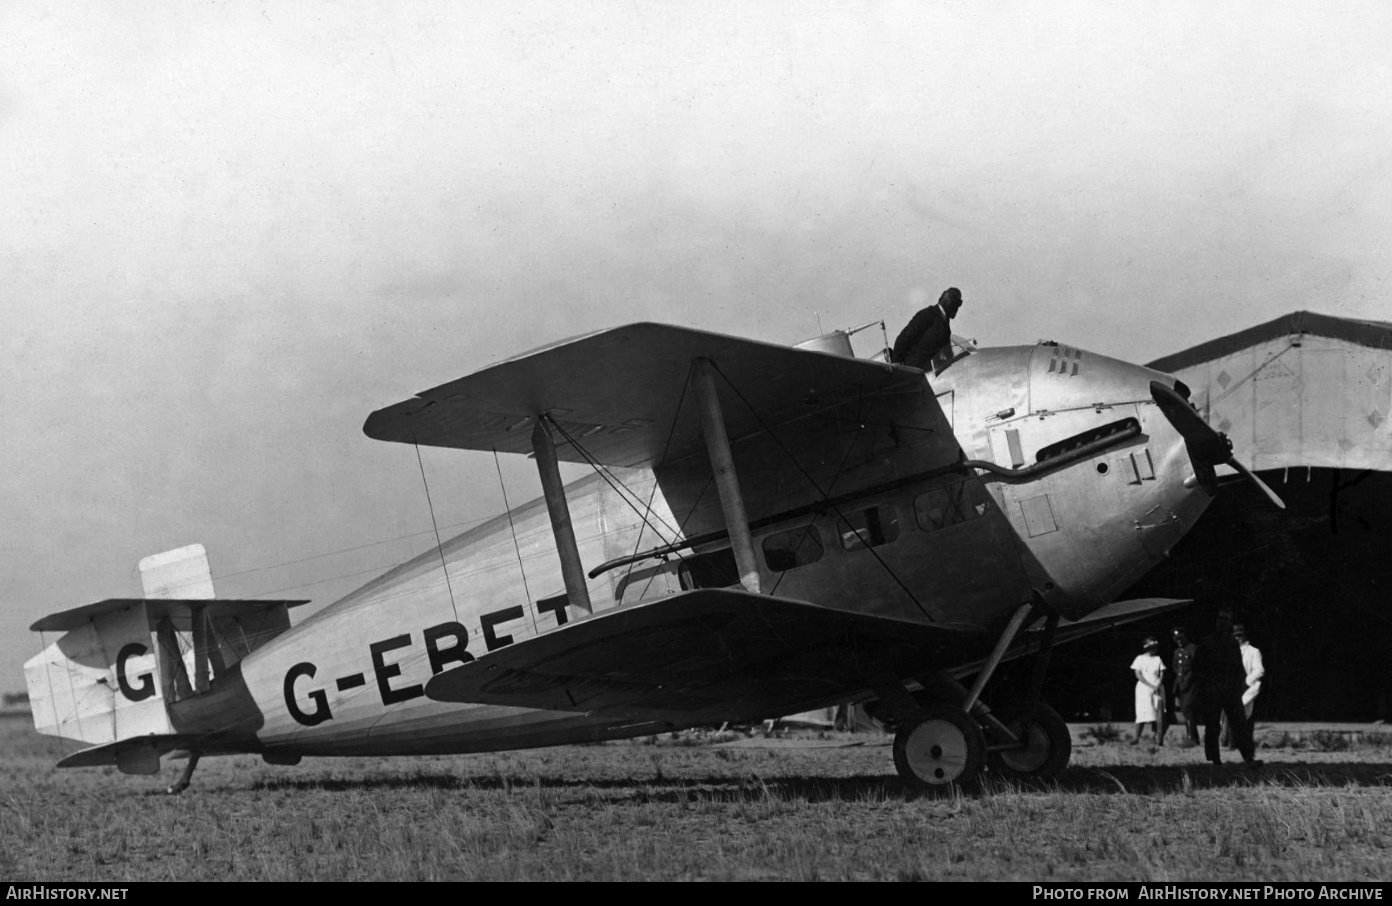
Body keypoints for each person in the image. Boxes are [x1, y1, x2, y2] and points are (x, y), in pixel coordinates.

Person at [1192, 609, 1262, 767]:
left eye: (1226, 620)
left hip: (1230, 690)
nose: (1223, 623)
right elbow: (1197, 668)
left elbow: (1238, 667)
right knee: (1213, 725)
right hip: (1212, 690)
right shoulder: (1207, 642)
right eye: (1220, 620)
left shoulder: (1232, 643)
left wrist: (1239, 687)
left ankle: (1248, 757)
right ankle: (1215, 759)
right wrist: (1205, 688)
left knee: (1240, 724)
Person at [892, 287, 963, 371]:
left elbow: (947, 353)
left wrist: (957, 363)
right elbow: (905, 337)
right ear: (947, 300)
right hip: (915, 371)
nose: (957, 308)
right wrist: (896, 363)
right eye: (956, 303)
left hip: (931, 372)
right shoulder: (929, 314)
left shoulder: (945, 324)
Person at [1222, 622, 1266, 748]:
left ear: (1245, 635)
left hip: (1245, 688)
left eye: (1240, 635)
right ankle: (1231, 743)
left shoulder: (1253, 651)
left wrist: (1248, 680)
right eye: (1235, 636)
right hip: (1231, 688)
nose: (1237, 638)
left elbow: (1260, 670)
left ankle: (1244, 743)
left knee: (1246, 717)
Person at [1129, 636, 1166, 745]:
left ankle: (1157, 736)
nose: (1155, 649)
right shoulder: (1140, 658)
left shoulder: (1158, 659)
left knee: (1158, 712)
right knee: (1142, 712)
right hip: (1144, 688)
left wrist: (1157, 685)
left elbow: (1162, 673)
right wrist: (1150, 685)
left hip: (1157, 687)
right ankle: (1136, 737)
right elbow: (1138, 674)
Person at [1171, 627, 1200, 746]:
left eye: (1181, 638)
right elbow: (1175, 666)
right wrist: (1180, 679)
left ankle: (1191, 738)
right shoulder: (1177, 651)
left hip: (1191, 684)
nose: (1179, 641)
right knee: (1184, 710)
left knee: (1188, 708)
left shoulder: (1192, 648)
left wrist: (1187, 680)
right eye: (1177, 639)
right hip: (1180, 684)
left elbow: (1195, 667)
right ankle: (1194, 737)